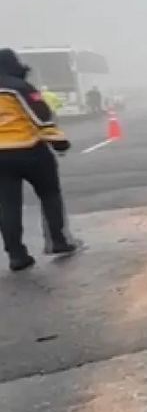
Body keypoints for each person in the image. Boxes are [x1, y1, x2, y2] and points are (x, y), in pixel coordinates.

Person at [0, 49, 82, 271]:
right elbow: (41, 116)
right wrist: (58, 142)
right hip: (30, 150)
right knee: (49, 194)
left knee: (8, 205)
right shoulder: (19, 87)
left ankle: (16, 255)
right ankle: (58, 241)